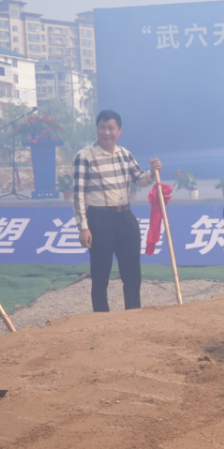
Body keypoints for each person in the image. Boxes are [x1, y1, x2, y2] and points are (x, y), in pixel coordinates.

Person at [73, 109, 161, 312]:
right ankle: (102, 318)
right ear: (97, 129)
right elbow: (78, 195)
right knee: (100, 274)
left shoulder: (124, 154)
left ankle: (133, 313)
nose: (106, 132)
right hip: (99, 219)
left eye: (111, 128)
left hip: (125, 217)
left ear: (119, 130)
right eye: (102, 127)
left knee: (132, 273)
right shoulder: (84, 156)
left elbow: (140, 179)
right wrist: (83, 227)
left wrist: (153, 172)